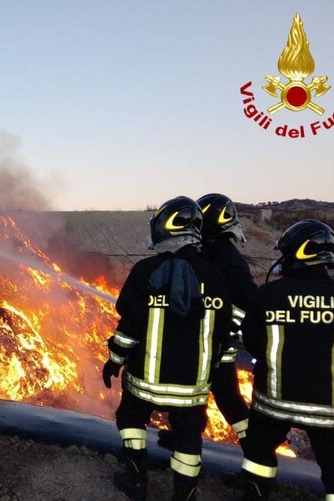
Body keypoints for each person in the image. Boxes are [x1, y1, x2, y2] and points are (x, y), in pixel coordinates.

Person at [102, 196, 232, 501]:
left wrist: (114, 360)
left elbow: (129, 328)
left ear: (164, 227)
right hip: (191, 389)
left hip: (144, 383)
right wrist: (215, 372)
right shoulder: (214, 277)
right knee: (188, 438)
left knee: (130, 419)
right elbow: (224, 333)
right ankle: (184, 495)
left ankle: (136, 480)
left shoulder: (145, 272)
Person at [239, 220, 334, 500]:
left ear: (295, 254)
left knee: (258, 458)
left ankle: (256, 494)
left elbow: (251, 342)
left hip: (275, 404)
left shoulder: (269, 295)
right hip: (331, 411)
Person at [157, 193, 255, 451]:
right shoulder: (210, 253)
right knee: (191, 394)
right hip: (202, 340)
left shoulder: (228, 259)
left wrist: (225, 330)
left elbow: (247, 303)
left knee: (228, 399)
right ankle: (183, 435)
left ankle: (255, 448)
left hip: (218, 345)